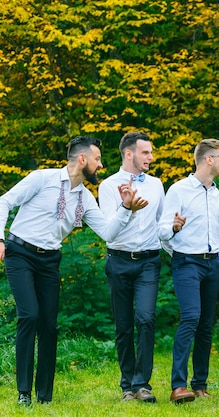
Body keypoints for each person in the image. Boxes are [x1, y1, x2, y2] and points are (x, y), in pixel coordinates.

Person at [0, 136, 144, 406]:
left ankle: (43, 396)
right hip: (20, 252)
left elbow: (107, 233)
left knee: (50, 326)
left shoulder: (85, 198)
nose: (101, 165)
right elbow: (3, 202)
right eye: (98, 159)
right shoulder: (42, 179)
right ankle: (23, 393)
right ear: (82, 159)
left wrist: (125, 208)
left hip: (49, 260)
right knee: (29, 316)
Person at [158, 138, 219, 403]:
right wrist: (175, 229)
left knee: (205, 326)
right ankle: (178, 386)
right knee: (191, 317)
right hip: (187, 263)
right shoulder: (178, 190)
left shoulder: (216, 193)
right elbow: (161, 231)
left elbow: (218, 236)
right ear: (208, 159)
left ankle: (199, 385)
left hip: (212, 263)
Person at [98, 132, 164, 402]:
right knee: (123, 325)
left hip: (149, 260)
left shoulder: (157, 185)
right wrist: (127, 208)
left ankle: (142, 384)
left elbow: (160, 224)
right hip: (119, 260)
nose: (150, 157)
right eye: (145, 152)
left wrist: (172, 229)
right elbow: (108, 233)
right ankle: (127, 385)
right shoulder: (108, 185)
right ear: (129, 154)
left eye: (150, 152)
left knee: (146, 319)